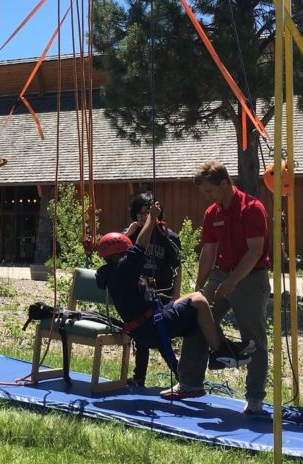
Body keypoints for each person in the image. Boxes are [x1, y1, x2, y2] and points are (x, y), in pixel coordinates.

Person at [160, 160, 270, 415]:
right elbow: (208, 252)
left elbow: (255, 251)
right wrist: (200, 288)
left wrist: (233, 282)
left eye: (210, 191)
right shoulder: (213, 212)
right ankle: (190, 383)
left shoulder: (252, 208)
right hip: (221, 274)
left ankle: (254, 398)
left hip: (251, 276)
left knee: (253, 337)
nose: (208, 197)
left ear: (225, 184)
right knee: (196, 315)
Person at [95, 201, 253, 376]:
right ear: (122, 252)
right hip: (152, 327)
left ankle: (225, 347)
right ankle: (218, 352)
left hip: (143, 328)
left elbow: (118, 248)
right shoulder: (124, 267)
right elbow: (140, 245)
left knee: (196, 302)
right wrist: (152, 217)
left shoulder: (109, 273)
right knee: (200, 301)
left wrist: (127, 234)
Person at [123, 192, 181, 386]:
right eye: (139, 214)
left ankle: (180, 374)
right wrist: (127, 235)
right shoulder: (133, 237)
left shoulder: (167, 236)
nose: (143, 218)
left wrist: (176, 295)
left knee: (160, 337)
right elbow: (113, 255)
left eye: (147, 213)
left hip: (161, 293)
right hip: (140, 295)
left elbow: (177, 267)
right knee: (140, 336)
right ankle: (139, 377)